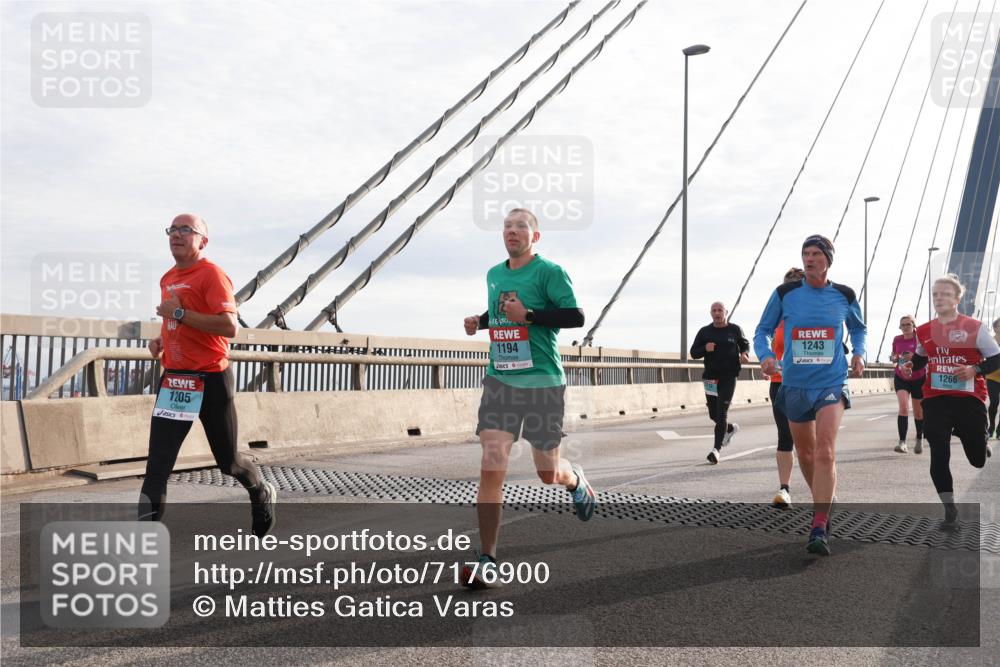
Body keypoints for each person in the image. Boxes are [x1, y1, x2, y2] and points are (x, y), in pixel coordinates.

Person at [460, 208, 593, 588]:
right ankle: (487, 557)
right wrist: (480, 321)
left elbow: (576, 316)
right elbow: (502, 312)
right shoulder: (494, 274)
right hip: (501, 381)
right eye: (507, 226)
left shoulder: (549, 272)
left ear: (535, 237)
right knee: (491, 464)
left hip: (542, 383)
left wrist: (530, 315)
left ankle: (575, 480)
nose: (512, 232)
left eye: (521, 227)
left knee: (548, 473)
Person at [140, 214, 276, 537]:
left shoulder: (212, 275)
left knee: (228, 463)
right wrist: (163, 338)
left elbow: (230, 328)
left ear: (202, 240)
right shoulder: (167, 278)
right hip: (175, 380)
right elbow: (175, 320)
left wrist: (179, 314)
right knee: (157, 467)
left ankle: (260, 491)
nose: (177, 234)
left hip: (211, 380)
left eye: (186, 230)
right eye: (172, 229)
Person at [754, 235, 866, 556]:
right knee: (804, 453)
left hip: (831, 382)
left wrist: (859, 353)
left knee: (825, 450)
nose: (810, 258)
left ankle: (819, 524)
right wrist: (764, 355)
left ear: (828, 259)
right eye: (806, 253)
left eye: (816, 253)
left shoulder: (843, 294)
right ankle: (824, 500)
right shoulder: (785, 294)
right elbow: (761, 330)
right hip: (795, 385)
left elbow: (859, 328)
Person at [902, 274, 1000, 529]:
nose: (939, 298)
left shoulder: (974, 328)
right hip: (936, 399)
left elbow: (997, 358)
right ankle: (950, 511)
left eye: (945, 294)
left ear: (957, 299)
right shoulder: (924, 330)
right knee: (939, 454)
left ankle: (973, 435)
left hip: (970, 399)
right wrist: (914, 363)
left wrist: (975, 370)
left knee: (977, 458)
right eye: (936, 294)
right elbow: (922, 356)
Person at [763, 267, 805, 507]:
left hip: (810, 385)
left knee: (811, 441)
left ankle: (823, 490)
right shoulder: (777, 320)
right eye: (787, 288)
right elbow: (765, 338)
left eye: (797, 286)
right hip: (780, 384)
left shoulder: (815, 314)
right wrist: (766, 358)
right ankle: (784, 489)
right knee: (785, 437)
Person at [690, 302, 750, 464]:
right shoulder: (705, 332)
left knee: (722, 413)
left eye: (720, 310)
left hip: (729, 376)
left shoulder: (734, 329)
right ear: (710, 313)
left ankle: (716, 450)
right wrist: (705, 349)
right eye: (714, 310)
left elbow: (744, 344)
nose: (717, 313)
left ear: (726, 312)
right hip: (710, 377)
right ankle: (729, 428)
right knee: (713, 414)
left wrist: (744, 354)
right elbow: (694, 353)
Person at [889, 315, 925, 453]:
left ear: (914, 325)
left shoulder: (920, 339)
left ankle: (919, 439)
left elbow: (926, 356)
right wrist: (894, 358)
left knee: (918, 412)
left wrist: (914, 357)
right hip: (901, 377)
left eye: (907, 324)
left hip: (918, 378)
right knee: (903, 407)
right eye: (902, 325)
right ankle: (902, 442)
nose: (905, 327)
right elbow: (894, 356)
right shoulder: (897, 339)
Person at [987, 318, 1000, 439]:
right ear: (995, 328)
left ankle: (999, 429)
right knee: (994, 402)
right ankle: (991, 426)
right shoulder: (990, 341)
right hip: (992, 377)